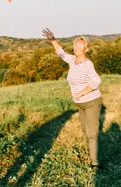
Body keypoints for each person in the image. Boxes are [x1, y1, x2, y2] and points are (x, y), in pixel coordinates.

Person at [42, 28, 103, 169]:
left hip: (91, 101)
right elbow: (61, 53)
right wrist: (53, 39)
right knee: (85, 130)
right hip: (80, 104)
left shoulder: (87, 64)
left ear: (86, 49)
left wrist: (81, 93)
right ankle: (92, 155)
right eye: (75, 45)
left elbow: (96, 81)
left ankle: (95, 163)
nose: (77, 48)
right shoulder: (72, 60)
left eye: (80, 46)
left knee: (91, 132)